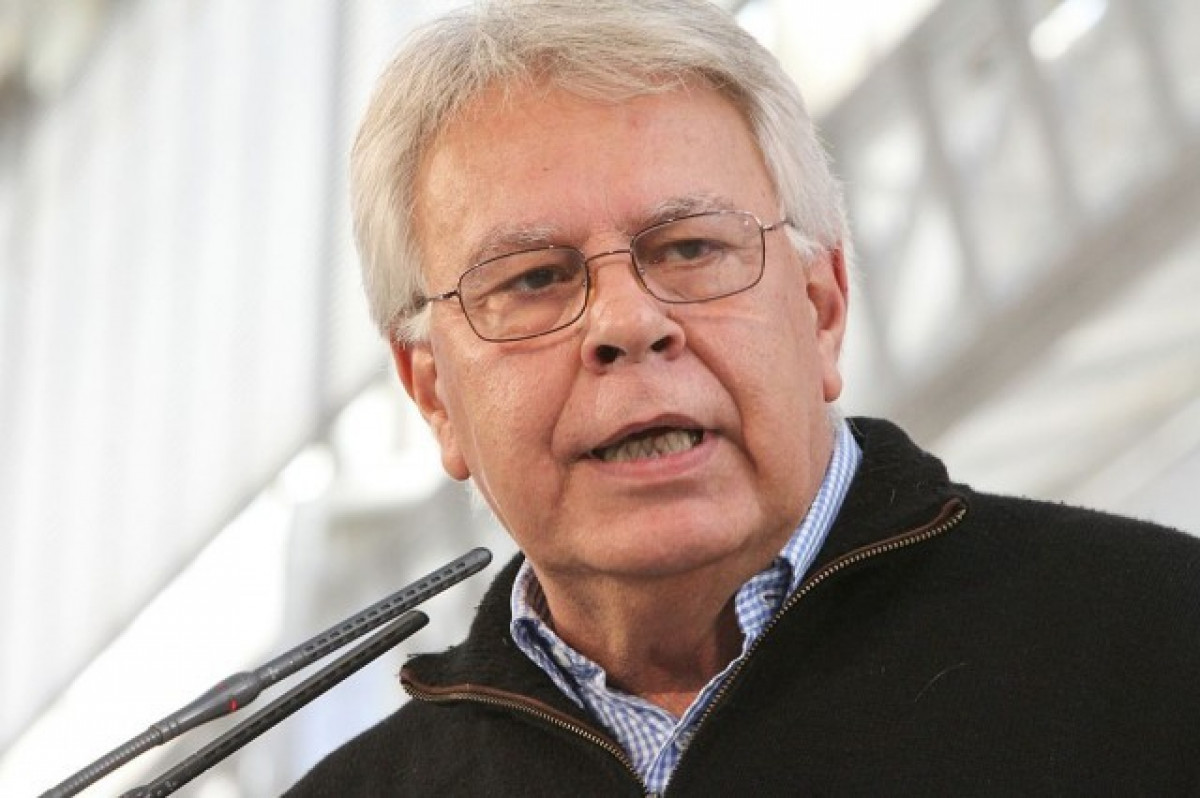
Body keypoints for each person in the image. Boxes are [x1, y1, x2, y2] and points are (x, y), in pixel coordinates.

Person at [286, 0, 1200, 794]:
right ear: (433, 395)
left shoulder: (1161, 646)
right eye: (533, 279)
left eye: (690, 248)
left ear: (822, 306)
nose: (627, 322)